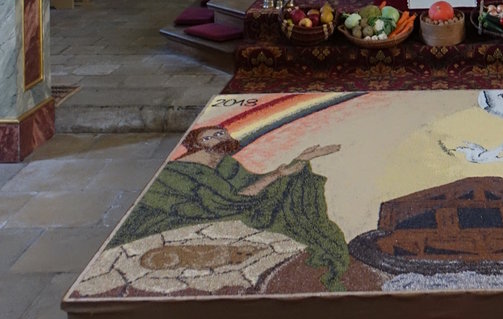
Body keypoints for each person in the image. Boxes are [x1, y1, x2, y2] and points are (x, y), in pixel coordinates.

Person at [107, 124, 349, 291]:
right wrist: (278, 175)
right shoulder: (176, 173)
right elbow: (225, 203)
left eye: (222, 133)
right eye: (210, 137)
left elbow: (251, 186)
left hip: (221, 208)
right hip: (170, 221)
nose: (219, 138)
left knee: (291, 182)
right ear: (196, 145)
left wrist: (298, 163)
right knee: (277, 193)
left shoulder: (226, 165)